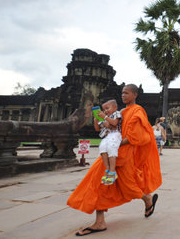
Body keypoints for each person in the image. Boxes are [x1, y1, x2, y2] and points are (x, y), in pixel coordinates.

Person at [68, 84, 162, 236]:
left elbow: (135, 137)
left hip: (124, 155)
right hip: (111, 153)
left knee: (129, 187)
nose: (123, 95)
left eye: (126, 93)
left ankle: (147, 199)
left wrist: (115, 143)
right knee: (98, 181)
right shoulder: (121, 112)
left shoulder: (138, 111)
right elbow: (109, 129)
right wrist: (99, 118)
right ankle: (99, 222)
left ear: (135, 95)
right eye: (122, 93)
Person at [93, 99, 122, 185]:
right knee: (102, 148)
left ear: (115, 107)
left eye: (107, 108)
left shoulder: (116, 113)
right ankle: (108, 169)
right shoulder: (103, 117)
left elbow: (114, 124)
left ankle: (113, 171)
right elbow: (98, 129)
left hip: (115, 134)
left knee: (111, 147)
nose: (105, 111)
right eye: (104, 109)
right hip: (106, 136)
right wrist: (96, 120)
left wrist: (105, 118)